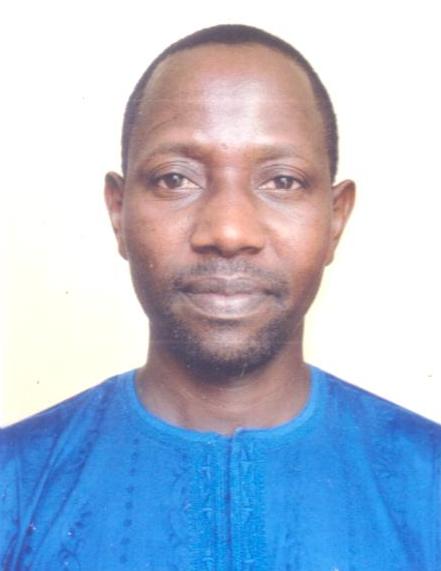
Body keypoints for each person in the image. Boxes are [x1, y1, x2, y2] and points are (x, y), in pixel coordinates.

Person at [1, 23, 439, 570]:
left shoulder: (429, 483)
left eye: (282, 181)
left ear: (335, 219)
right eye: (174, 179)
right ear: (118, 212)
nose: (229, 231)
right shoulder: (13, 484)